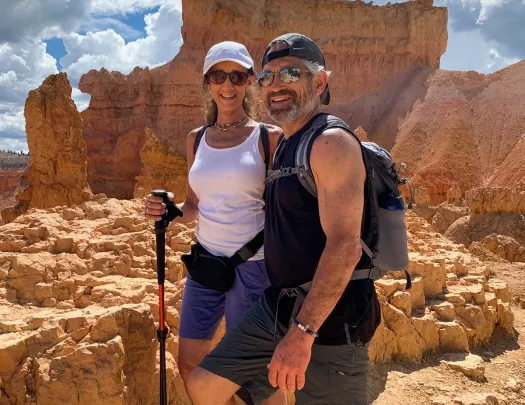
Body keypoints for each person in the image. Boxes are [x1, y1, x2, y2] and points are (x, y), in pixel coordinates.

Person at [185, 33, 381, 405]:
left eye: (291, 74)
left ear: (320, 82)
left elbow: (344, 246)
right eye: (267, 77)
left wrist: (301, 335)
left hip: (330, 323)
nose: (276, 85)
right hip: (278, 308)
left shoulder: (330, 142)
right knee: (203, 384)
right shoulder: (290, 140)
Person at [144, 41, 286, 405]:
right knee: (189, 364)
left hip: (252, 268)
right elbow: (194, 204)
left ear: (250, 81)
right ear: (207, 82)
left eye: (237, 76)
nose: (228, 84)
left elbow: (282, 211)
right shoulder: (197, 139)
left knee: (256, 376)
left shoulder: (268, 138)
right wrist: (171, 210)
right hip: (206, 266)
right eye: (219, 76)